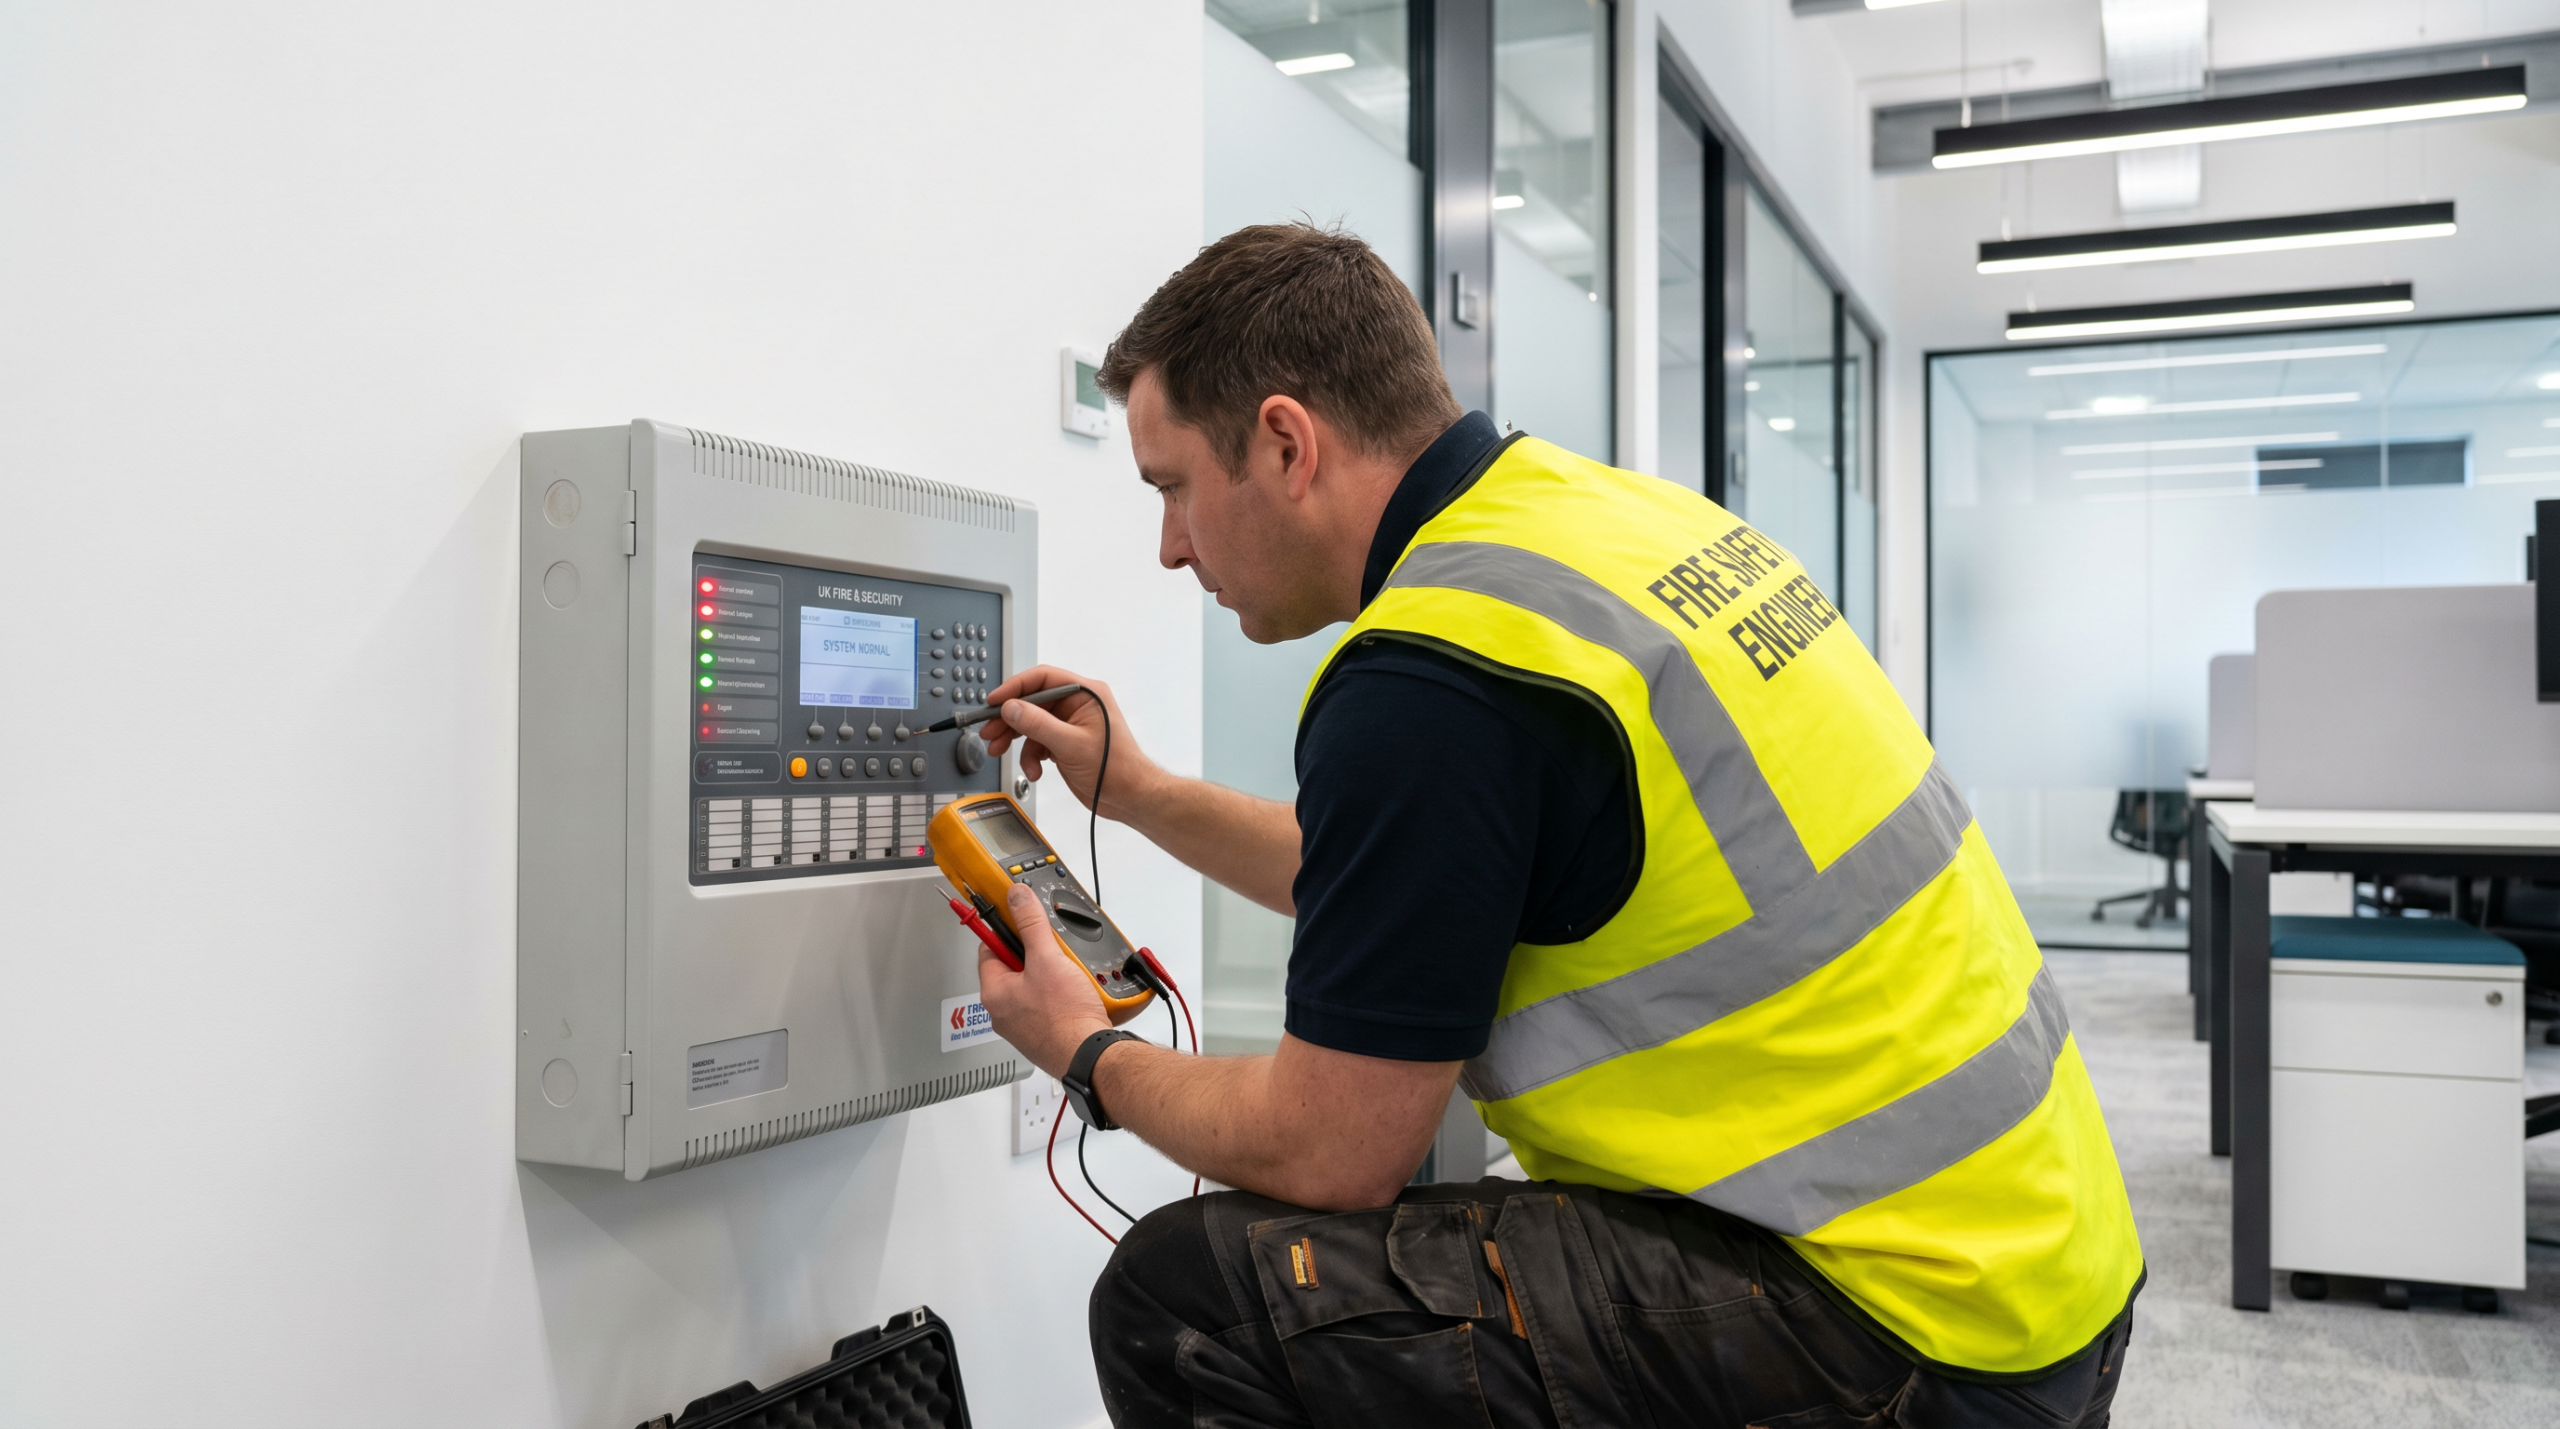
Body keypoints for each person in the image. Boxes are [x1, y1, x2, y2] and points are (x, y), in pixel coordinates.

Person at [969, 222, 2142, 1428]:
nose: (1169, 548)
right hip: (2047, 1268)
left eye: (1171, 487)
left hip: (1902, 1339)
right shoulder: (1606, 529)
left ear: (1284, 443)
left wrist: (1087, 1054)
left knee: (1187, 1299)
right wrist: (1146, 792)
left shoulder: (1431, 670)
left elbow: (1332, 1150)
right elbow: (1415, 879)